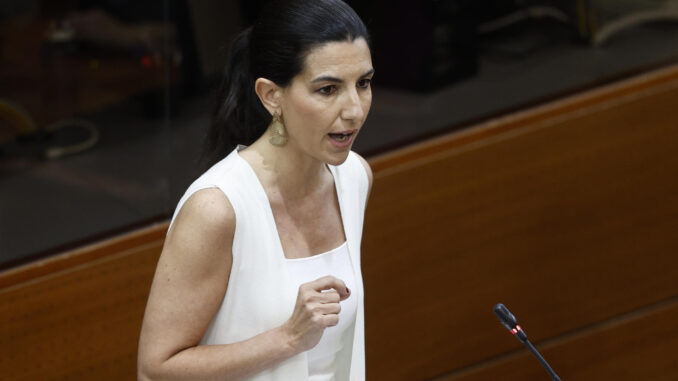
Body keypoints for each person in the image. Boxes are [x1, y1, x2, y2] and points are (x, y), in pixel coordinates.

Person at [137, 0, 374, 380]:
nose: (354, 110)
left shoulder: (355, 179)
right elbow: (156, 369)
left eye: (363, 83)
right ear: (270, 96)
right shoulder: (217, 208)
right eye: (328, 89)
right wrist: (288, 338)